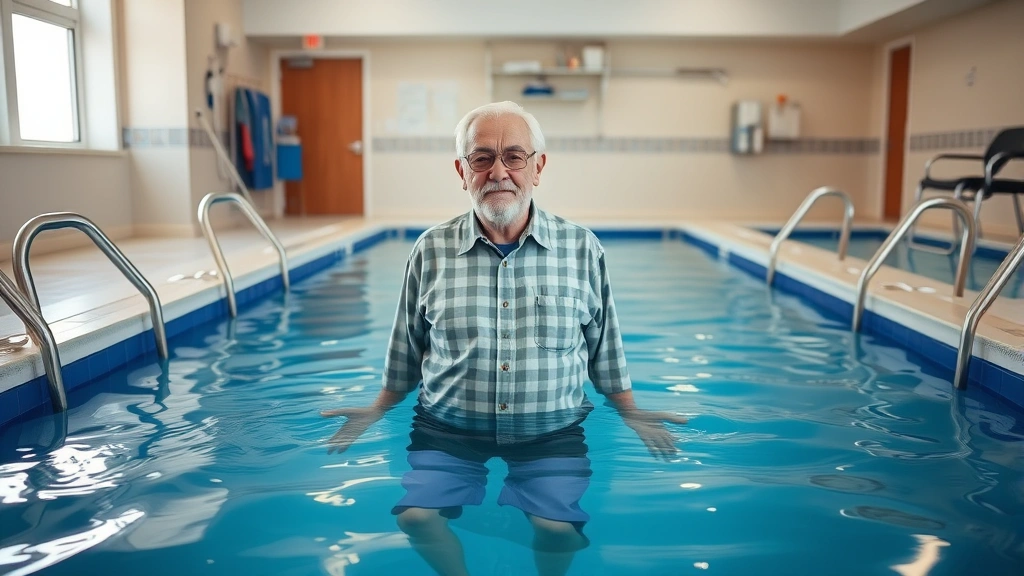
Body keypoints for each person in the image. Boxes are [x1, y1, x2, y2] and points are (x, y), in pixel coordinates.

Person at [322, 101, 688, 576]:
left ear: (538, 166)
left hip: (550, 433)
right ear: (462, 170)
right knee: (415, 518)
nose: (499, 172)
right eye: (482, 158)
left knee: (558, 531)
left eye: (514, 157)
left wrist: (631, 413)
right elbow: (405, 350)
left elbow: (605, 349)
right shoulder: (430, 250)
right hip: (447, 429)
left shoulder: (581, 248)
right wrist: (377, 408)